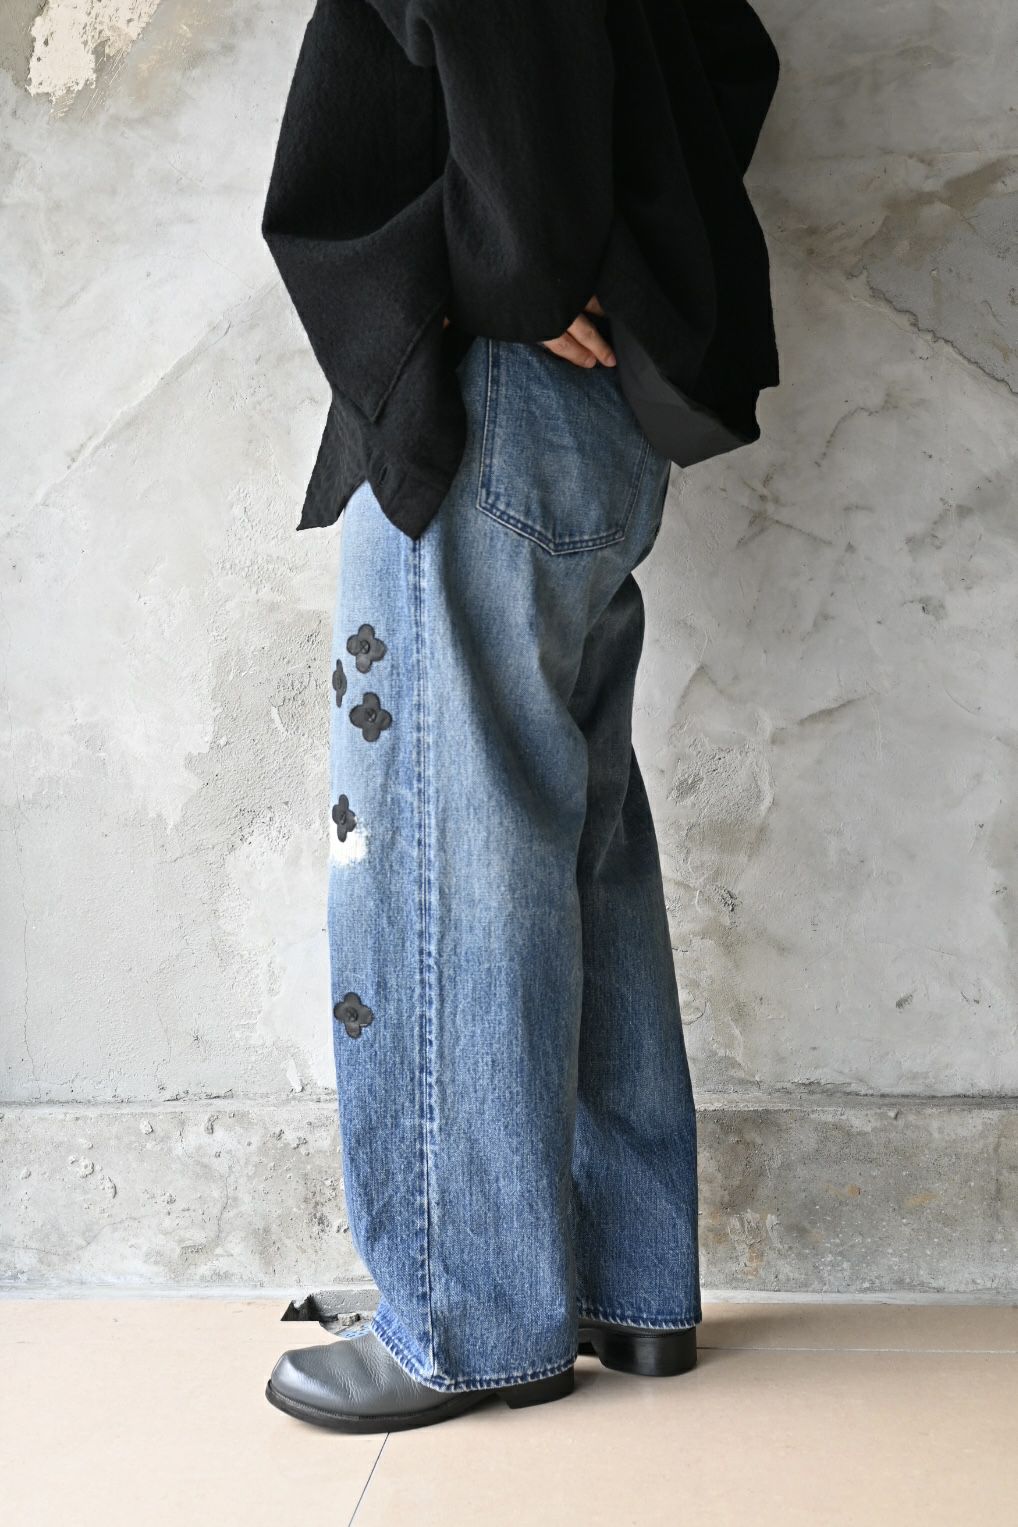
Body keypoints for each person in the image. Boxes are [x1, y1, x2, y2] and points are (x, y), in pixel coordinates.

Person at [260, 0, 779, 1433]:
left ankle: (469, 1317)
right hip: (598, 410)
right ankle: (625, 1281)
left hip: (489, 390)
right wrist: (604, 250)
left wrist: (518, 262)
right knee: (575, 845)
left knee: (449, 849)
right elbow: (728, 52)